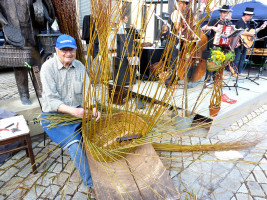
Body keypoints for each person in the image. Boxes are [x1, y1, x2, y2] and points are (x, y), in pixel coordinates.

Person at [40, 35, 101, 188]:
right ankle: (92, 184)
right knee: (75, 144)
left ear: (75, 50)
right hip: (55, 117)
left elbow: (88, 90)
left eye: (71, 49)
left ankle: (103, 163)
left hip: (78, 111)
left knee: (100, 129)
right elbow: (52, 100)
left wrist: (93, 107)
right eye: (64, 50)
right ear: (56, 50)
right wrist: (74, 112)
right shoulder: (48, 68)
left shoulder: (79, 65)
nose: (68, 53)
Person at [0, 0, 54, 105]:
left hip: (32, 31)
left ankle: (40, 89)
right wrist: (5, 24)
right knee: (20, 65)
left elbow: (40, 3)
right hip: (14, 34)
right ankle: (24, 94)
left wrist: (46, 15)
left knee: (36, 63)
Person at [201, 5, 232, 81]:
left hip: (222, 46)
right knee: (212, 63)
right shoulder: (215, 20)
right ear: (220, 13)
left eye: (227, 13)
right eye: (224, 12)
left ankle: (215, 79)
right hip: (214, 45)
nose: (225, 14)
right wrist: (213, 27)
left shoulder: (227, 22)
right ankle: (207, 81)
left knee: (219, 63)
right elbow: (203, 27)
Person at [233, 7, 266, 74]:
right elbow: (241, 32)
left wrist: (260, 28)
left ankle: (239, 72)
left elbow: (252, 32)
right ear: (246, 15)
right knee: (237, 59)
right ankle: (234, 72)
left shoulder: (247, 23)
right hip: (238, 43)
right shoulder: (240, 22)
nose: (251, 17)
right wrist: (250, 34)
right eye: (250, 16)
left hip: (245, 43)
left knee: (243, 58)